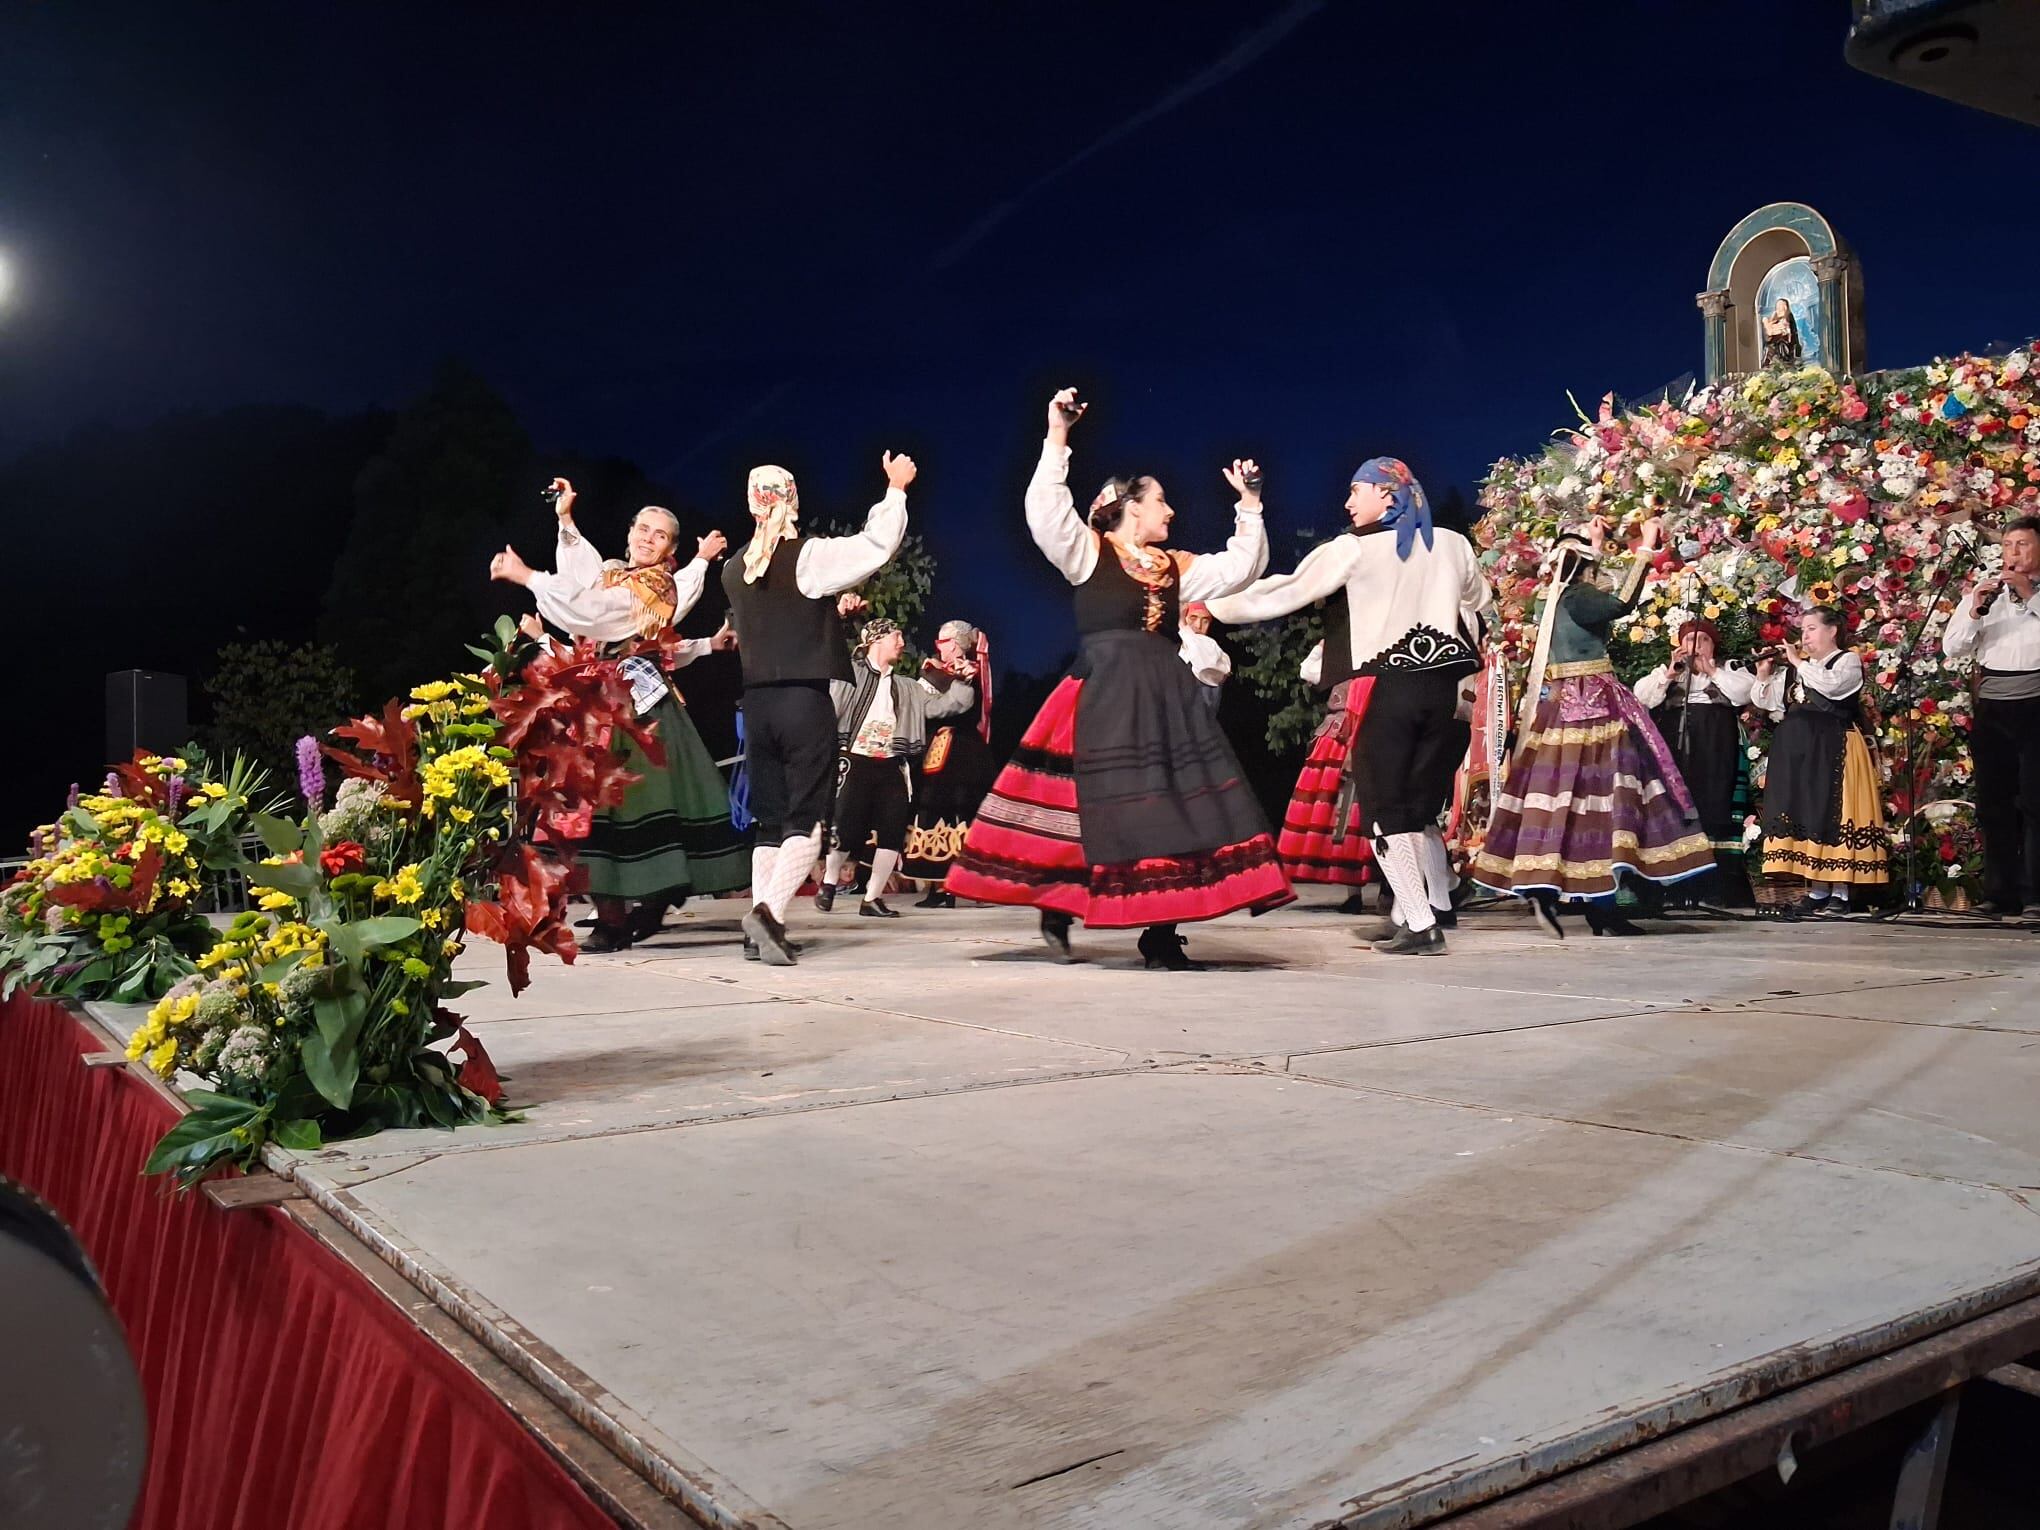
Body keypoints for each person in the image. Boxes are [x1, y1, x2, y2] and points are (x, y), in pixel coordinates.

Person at [947, 388, 1290, 969]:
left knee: (1165, 806)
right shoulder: (1089, 553)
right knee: (1087, 808)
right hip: (1103, 693)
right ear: (1133, 506)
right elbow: (1044, 513)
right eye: (1161, 502)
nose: (1171, 512)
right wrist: (1058, 436)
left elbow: (1240, 567)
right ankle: (1058, 903)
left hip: (1162, 694)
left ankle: (1159, 932)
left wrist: (1250, 505)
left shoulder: (1175, 566)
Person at [1208, 456, 1492, 955]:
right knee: (1421, 805)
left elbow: (1289, 590)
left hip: (1390, 684)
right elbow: (1480, 601)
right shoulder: (1453, 543)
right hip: (1449, 692)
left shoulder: (1353, 549)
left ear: (1386, 493)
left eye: (1354, 491)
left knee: (1385, 807)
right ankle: (1416, 909)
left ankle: (1421, 924)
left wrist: (1215, 602)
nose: (1347, 502)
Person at [489, 478, 748, 951]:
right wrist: (566, 518)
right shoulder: (612, 572)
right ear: (629, 532)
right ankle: (614, 913)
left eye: (661, 534)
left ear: (670, 548)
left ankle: (636, 908)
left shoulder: (656, 585)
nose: (648, 538)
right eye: (643, 529)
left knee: (638, 804)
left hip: (639, 711)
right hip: (596, 705)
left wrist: (529, 577)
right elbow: (583, 587)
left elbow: (598, 614)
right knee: (592, 807)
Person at [1471, 517, 1714, 935]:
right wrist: (1647, 547)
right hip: (1594, 702)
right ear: (1584, 569)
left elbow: (1594, 596)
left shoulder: (1556, 598)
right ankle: (1598, 909)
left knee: (1565, 800)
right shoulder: (1580, 596)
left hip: (1561, 704)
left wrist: (1596, 545)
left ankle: (1566, 897)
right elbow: (1619, 602)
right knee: (1605, 801)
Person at [721, 453, 917, 964]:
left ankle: (760, 932)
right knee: (807, 822)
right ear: (791, 500)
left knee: (768, 822)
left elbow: (786, 613)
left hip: (757, 705)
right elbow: (874, 546)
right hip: (802, 702)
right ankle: (767, 913)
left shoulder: (732, 568)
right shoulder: (806, 556)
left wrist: (831, 612)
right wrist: (895, 489)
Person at [816, 618, 977, 918]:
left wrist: (963, 682)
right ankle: (828, 882)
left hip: (891, 765)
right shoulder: (850, 676)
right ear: (876, 640)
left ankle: (872, 899)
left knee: (891, 832)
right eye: (896, 636)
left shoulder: (907, 688)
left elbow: (944, 706)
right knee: (845, 830)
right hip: (855, 759)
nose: (902, 643)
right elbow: (831, 698)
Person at [1751, 607, 1889, 914]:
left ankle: (1840, 890)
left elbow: (1831, 687)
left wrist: (1799, 661)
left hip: (1833, 746)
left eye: (1812, 628)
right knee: (1807, 811)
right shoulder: (1799, 669)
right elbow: (1767, 701)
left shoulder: (1847, 661)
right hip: (1800, 751)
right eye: (1803, 629)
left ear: (1832, 631)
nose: (1805, 635)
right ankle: (1817, 889)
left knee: (1832, 810)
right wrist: (1763, 673)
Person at [1942, 514, 2040, 916]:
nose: (2012, 553)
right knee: (1993, 802)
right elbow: (1953, 647)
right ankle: (2001, 894)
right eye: (2007, 546)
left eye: (2022, 545)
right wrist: (1974, 610)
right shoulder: (1987, 595)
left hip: (2036, 700)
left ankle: (2035, 894)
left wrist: (2030, 596)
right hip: (1994, 704)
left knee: (2035, 802)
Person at [1633, 616, 1758, 904]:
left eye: (1703, 641)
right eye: (1690, 640)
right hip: (1676, 748)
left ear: (1713, 646)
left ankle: (1716, 887)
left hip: (1716, 747)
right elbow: (1643, 698)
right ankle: (1676, 886)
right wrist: (1669, 675)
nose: (1696, 646)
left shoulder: (1728, 669)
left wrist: (1712, 670)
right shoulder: (1668, 672)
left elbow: (1742, 693)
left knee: (1713, 807)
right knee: (1678, 808)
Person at [1277, 634, 1377, 905]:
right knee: (1338, 810)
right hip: (1337, 734)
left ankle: (1387, 891)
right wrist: (1325, 645)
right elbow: (1308, 671)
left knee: (1360, 810)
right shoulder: (1341, 649)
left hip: (1367, 731)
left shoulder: (1379, 645)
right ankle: (1353, 892)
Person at [903, 619, 996, 906]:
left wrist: (929, 702)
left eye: (943, 642)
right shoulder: (938, 671)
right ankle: (939, 886)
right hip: (941, 753)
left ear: (955, 644)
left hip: (963, 755)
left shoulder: (970, 670)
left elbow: (957, 705)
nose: (939, 648)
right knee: (933, 811)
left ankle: (970, 885)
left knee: (963, 813)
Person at [1177, 601, 1230, 713]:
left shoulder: (1212, 650)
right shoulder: (1171, 654)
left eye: (1205, 621)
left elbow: (1201, 660)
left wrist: (1182, 625)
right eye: (1193, 618)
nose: (1198, 626)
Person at [1761, 298, 1803, 369]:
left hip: (1783, 348)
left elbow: (1771, 332)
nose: (1778, 309)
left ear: (1785, 307)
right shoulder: (1774, 320)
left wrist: (1766, 323)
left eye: (1780, 306)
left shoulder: (1787, 320)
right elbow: (1769, 333)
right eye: (1777, 307)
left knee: (1780, 348)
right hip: (1773, 349)